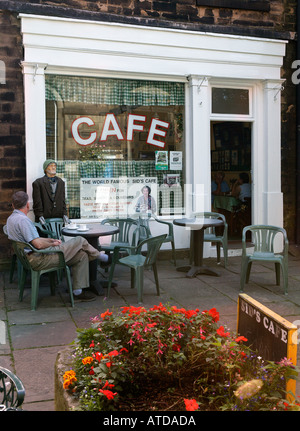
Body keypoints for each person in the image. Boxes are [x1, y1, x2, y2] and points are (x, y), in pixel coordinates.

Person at [6, 191, 108, 302]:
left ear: (13, 205)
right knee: (80, 240)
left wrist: (50, 240)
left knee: (82, 255)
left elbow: (33, 240)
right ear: (27, 205)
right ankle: (103, 258)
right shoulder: (23, 221)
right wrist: (52, 244)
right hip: (40, 258)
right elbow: (38, 245)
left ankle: (77, 292)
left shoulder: (11, 219)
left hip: (30, 257)